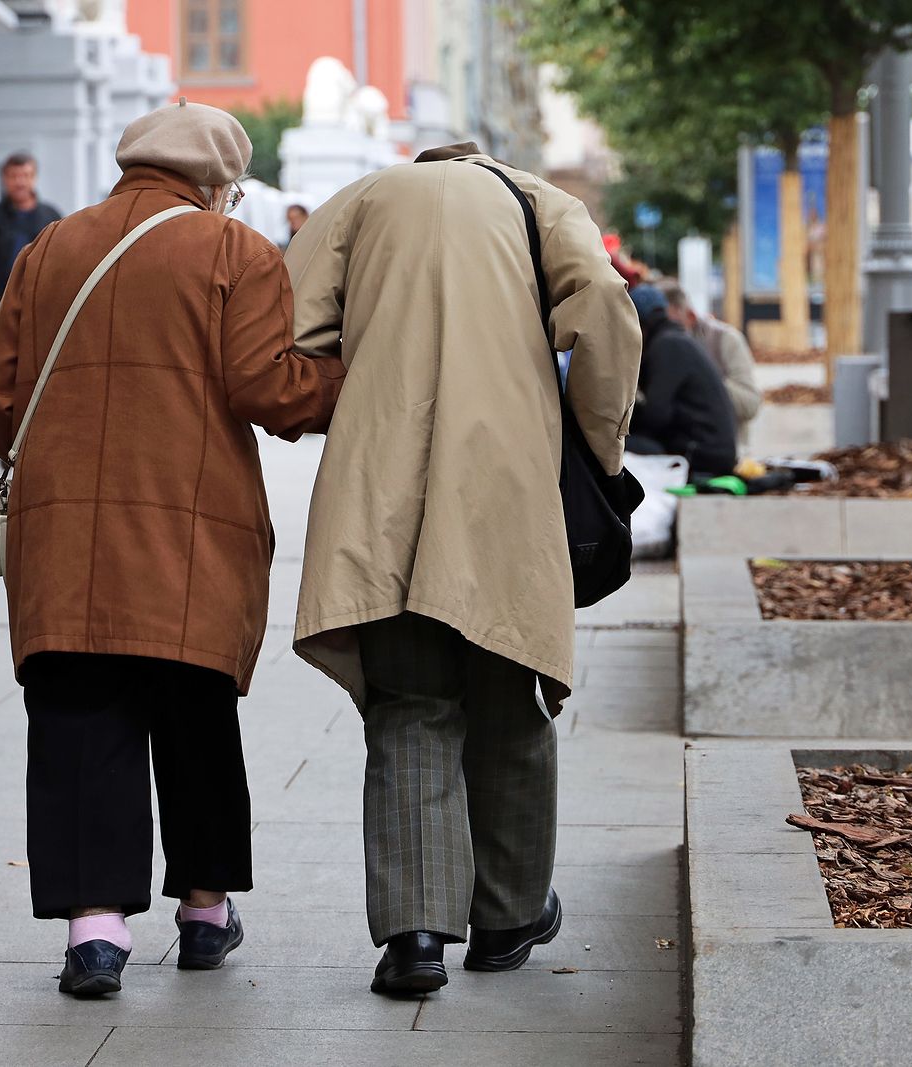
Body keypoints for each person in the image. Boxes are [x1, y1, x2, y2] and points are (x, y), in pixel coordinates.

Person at [0, 102, 346, 998]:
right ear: (220, 183)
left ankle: (95, 934)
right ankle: (206, 911)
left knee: (78, 720)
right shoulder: (234, 251)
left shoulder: (50, 245)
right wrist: (348, 375)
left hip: (63, 537)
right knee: (195, 711)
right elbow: (271, 388)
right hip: (192, 526)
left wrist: (58, 452)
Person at [284, 142, 641, 995]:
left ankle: (414, 935)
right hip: (504, 479)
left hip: (383, 482)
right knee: (511, 694)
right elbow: (602, 303)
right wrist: (600, 439)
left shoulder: (361, 200)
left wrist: (370, 375)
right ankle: (508, 917)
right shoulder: (543, 202)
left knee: (410, 704)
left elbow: (291, 330)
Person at [624, 285, 737, 477]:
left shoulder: (666, 347)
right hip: (714, 452)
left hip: (705, 457)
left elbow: (656, 417)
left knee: (614, 446)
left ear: (639, 324)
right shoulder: (676, 340)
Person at [0, 153, 63, 345]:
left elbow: (64, 268)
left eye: (25, 176)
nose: (20, 182)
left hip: (43, 309)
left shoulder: (52, 217)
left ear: (34, 178)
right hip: (0, 308)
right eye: (14, 176)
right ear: (5, 179)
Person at [655, 279, 761, 444]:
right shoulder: (655, 347)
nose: (666, 335)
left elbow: (750, 404)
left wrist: (703, 379)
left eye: (671, 326)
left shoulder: (725, 340)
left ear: (690, 316)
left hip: (723, 451)